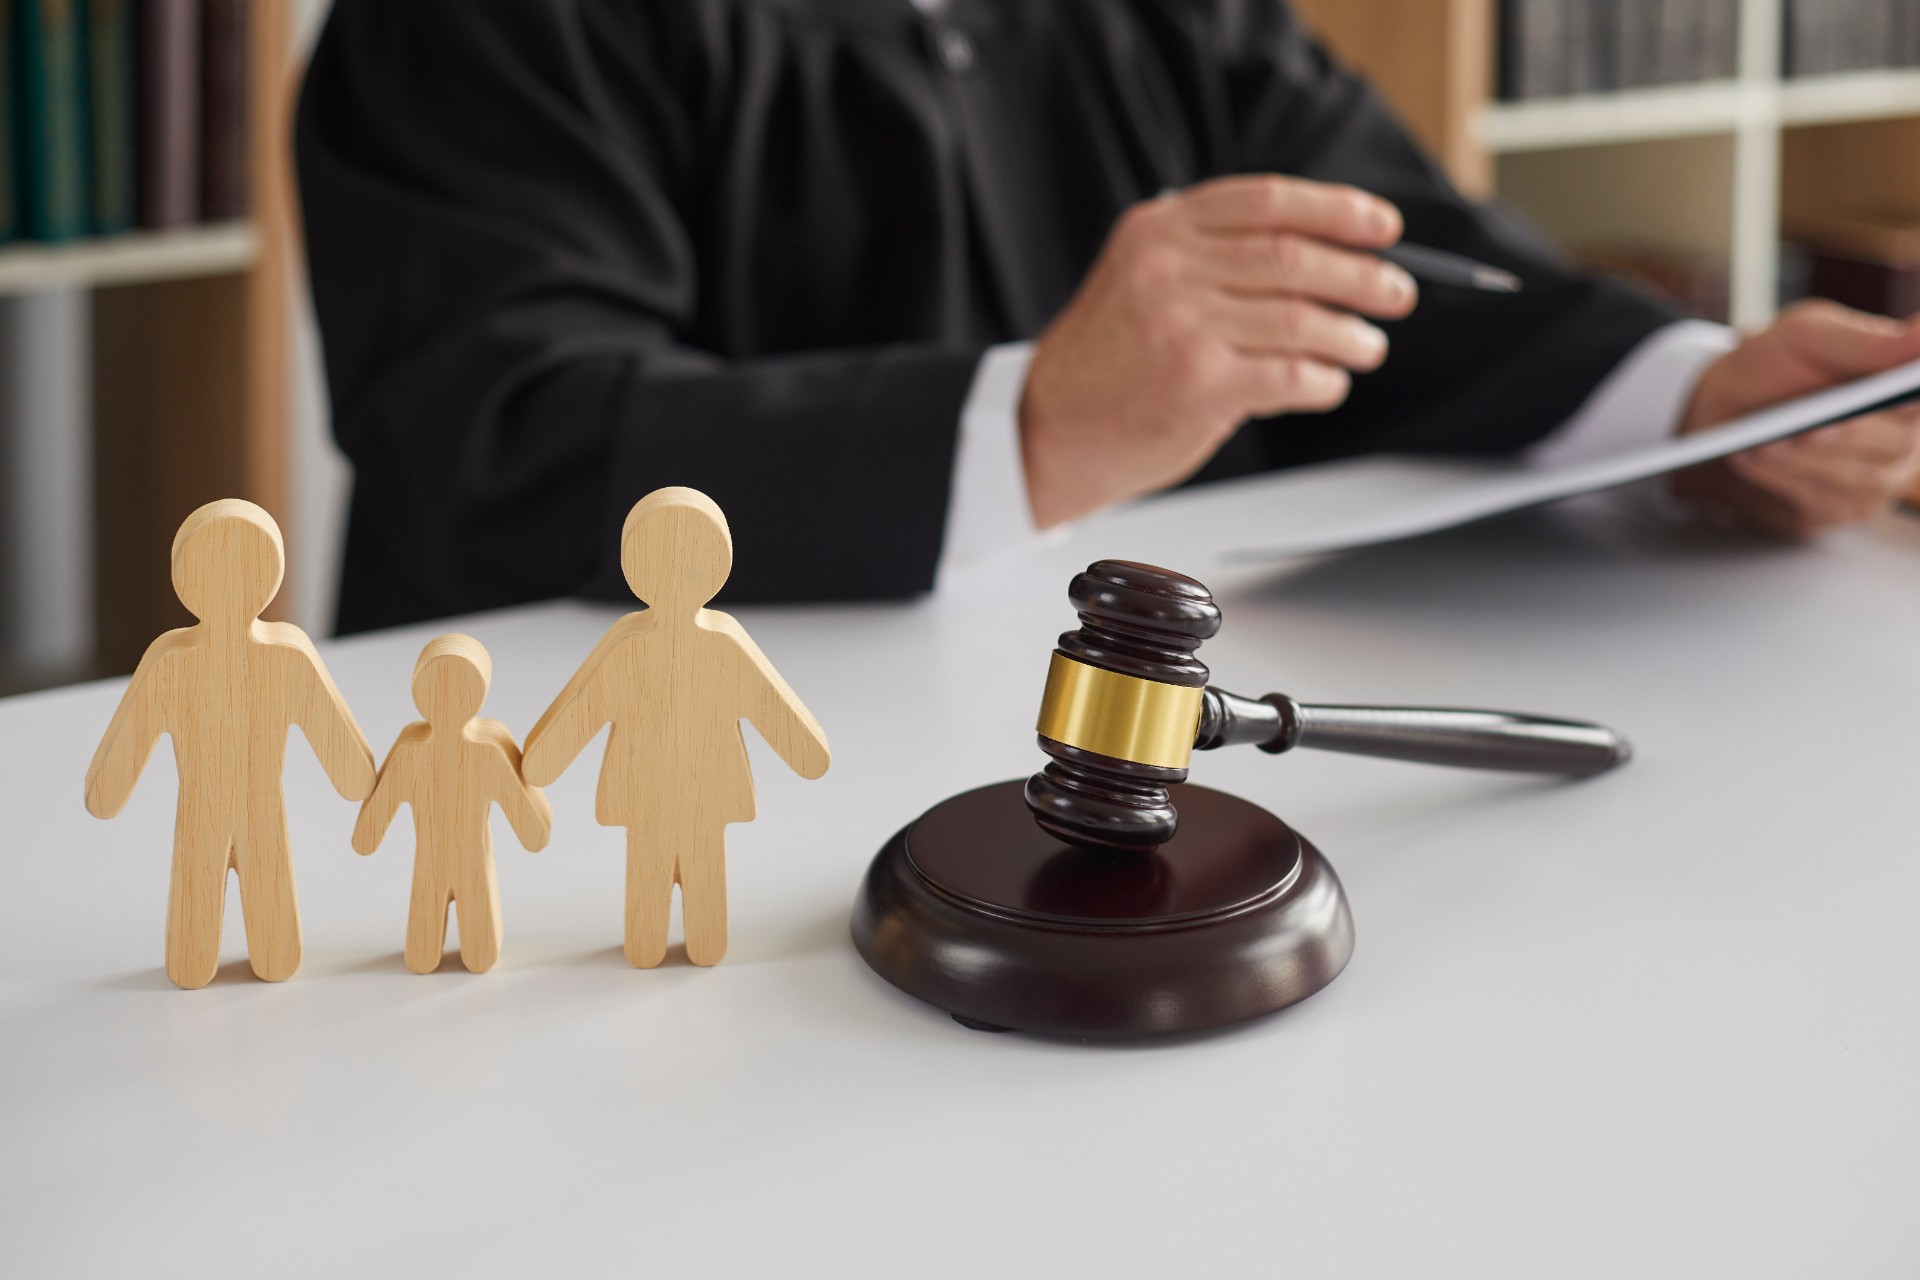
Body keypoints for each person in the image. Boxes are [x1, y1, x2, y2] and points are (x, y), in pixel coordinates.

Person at [296, 0, 1920, 635]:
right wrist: (1038, 425)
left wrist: (1702, 401)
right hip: (605, 833)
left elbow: (1385, 265)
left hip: (1092, 780)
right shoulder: (480, 28)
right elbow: (502, 436)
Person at [521, 488, 830, 968]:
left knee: (679, 863)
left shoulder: (674, 646)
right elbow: (788, 727)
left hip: (670, 791)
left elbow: (571, 724)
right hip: (673, 791)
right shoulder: (660, 646)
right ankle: (673, 943)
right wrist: (807, 756)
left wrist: (540, 763)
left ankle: (670, 944)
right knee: (672, 863)